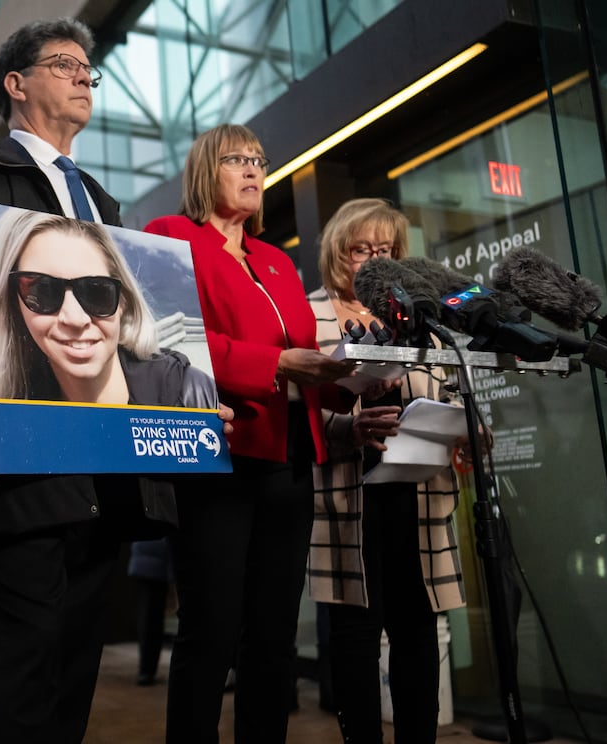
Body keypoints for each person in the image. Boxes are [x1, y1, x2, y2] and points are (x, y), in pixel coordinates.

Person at [0, 18, 231, 744]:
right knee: (26, 676)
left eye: (88, 69)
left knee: (76, 672)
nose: (84, 76)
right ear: (16, 84)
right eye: (64, 64)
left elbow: (123, 341)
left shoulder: (101, 203)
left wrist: (189, 410)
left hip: (107, 472)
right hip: (20, 462)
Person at [144, 123, 355, 743]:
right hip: (219, 454)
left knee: (273, 636)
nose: (253, 169)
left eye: (260, 160)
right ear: (205, 169)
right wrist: (277, 364)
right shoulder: (171, 236)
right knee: (211, 630)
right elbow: (169, 338)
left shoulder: (278, 261)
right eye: (237, 158)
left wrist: (355, 381)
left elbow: (306, 361)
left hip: (291, 458)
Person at [307, 198, 466, 744]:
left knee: (418, 631)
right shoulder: (310, 313)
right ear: (338, 252)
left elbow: (449, 391)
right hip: (349, 496)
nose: (376, 260)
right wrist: (346, 428)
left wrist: (466, 428)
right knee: (355, 634)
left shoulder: (423, 319)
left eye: (386, 250)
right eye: (362, 249)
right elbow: (296, 407)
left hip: (418, 494)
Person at [0, 209, 215, 407]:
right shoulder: (8, 430)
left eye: (96, 292)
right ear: (15, 307)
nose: (75, 318)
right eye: (43, 292)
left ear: (123, 302)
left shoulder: (187, 393)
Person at [127, 537, 172, 686]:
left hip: (149, 547)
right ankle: (146, 669)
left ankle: (146, 669)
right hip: (157, 550)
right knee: (151, 615)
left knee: (149, 613)